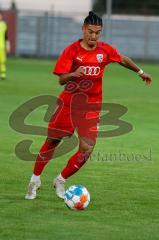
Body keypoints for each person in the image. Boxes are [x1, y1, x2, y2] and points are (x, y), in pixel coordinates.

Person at [25, 11, 152, 200]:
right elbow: (61, 79)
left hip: (91, 107)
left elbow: (122, 59)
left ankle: (60, 180)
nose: (93, 36)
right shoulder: (72, 51)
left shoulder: (105, 50)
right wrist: (73, 74)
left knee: (86, 149)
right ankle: (35, 180)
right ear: (83, 29)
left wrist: (140, 71)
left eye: (97, 33)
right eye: (90, 32)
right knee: (53, 141)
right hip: (68, 103)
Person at [0, 12, 10, 80]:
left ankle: (3, 75)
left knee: (2, 61)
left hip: (2, 46)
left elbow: (6, 36)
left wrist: (8, 45)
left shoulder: (4, 25)